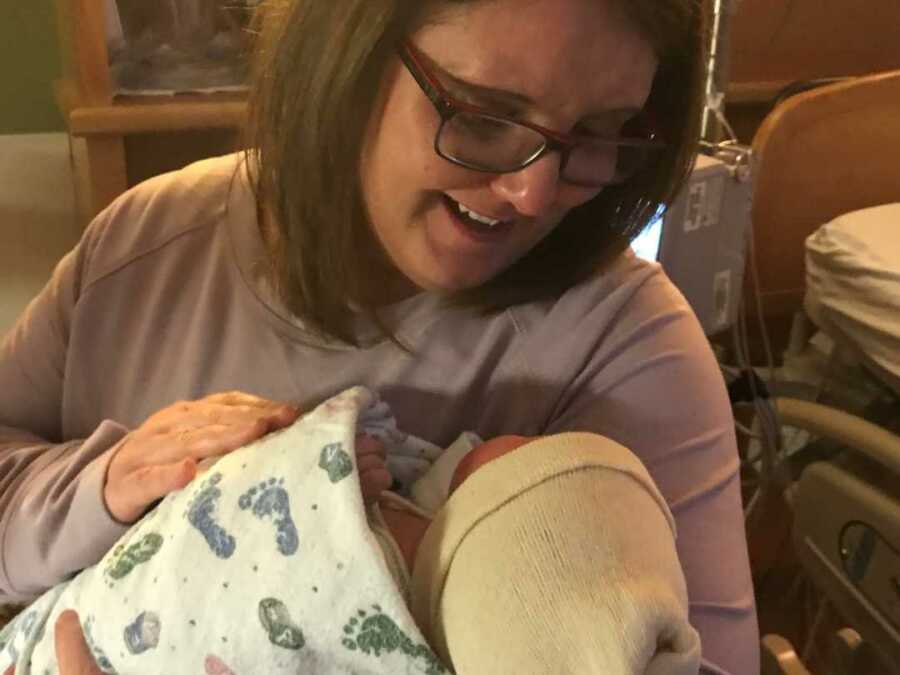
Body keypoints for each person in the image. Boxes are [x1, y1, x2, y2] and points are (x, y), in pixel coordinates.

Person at [0, 0, 759, 672]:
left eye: (600, 134)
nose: (534, 192)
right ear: (346, 52)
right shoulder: (145, 245)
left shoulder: (632, 352)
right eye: (485, 115)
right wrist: (105, 486)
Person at [2, 387, 701, 674]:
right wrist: (94, 487)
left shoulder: (416, 590)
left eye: (510, 472)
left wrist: (324, 491)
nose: (505, 444)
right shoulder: (140, 237)